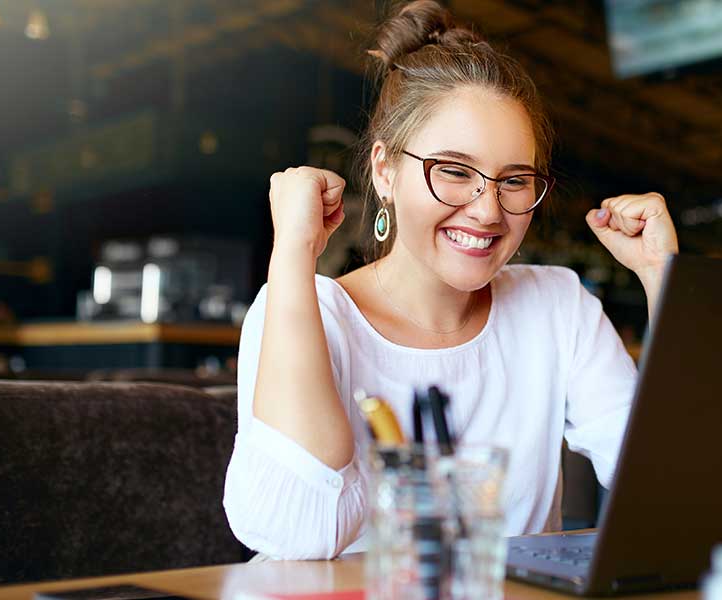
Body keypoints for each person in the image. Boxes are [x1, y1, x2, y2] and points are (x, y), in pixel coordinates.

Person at [223, 0, 679, 560]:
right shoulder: (305, 310)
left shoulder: (558, 305)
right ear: (385, 170)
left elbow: (673, 486)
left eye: (515, 180)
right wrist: (293, 252)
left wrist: (663, 277)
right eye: (455, 172)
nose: (489, 210)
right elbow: (301, 535)